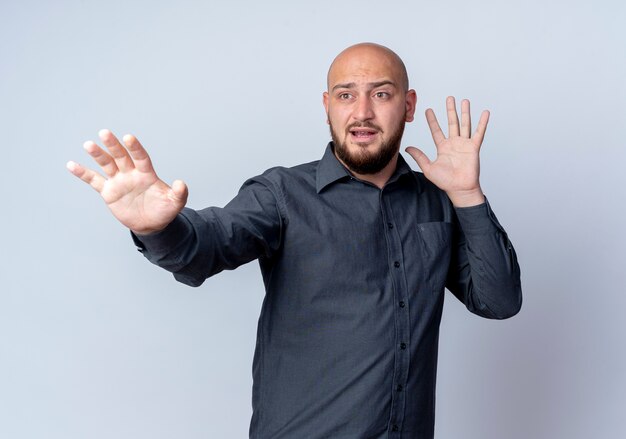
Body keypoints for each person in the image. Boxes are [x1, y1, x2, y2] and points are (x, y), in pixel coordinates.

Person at [67, 43, 522, 439]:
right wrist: (157, 227)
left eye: (381, 94)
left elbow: (498, 300)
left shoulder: (437, 201)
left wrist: (467, 195)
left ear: (407, 105)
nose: (362, 111)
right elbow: (209, 245)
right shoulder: (282, 195)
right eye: (346, 95)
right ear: (327, 106)